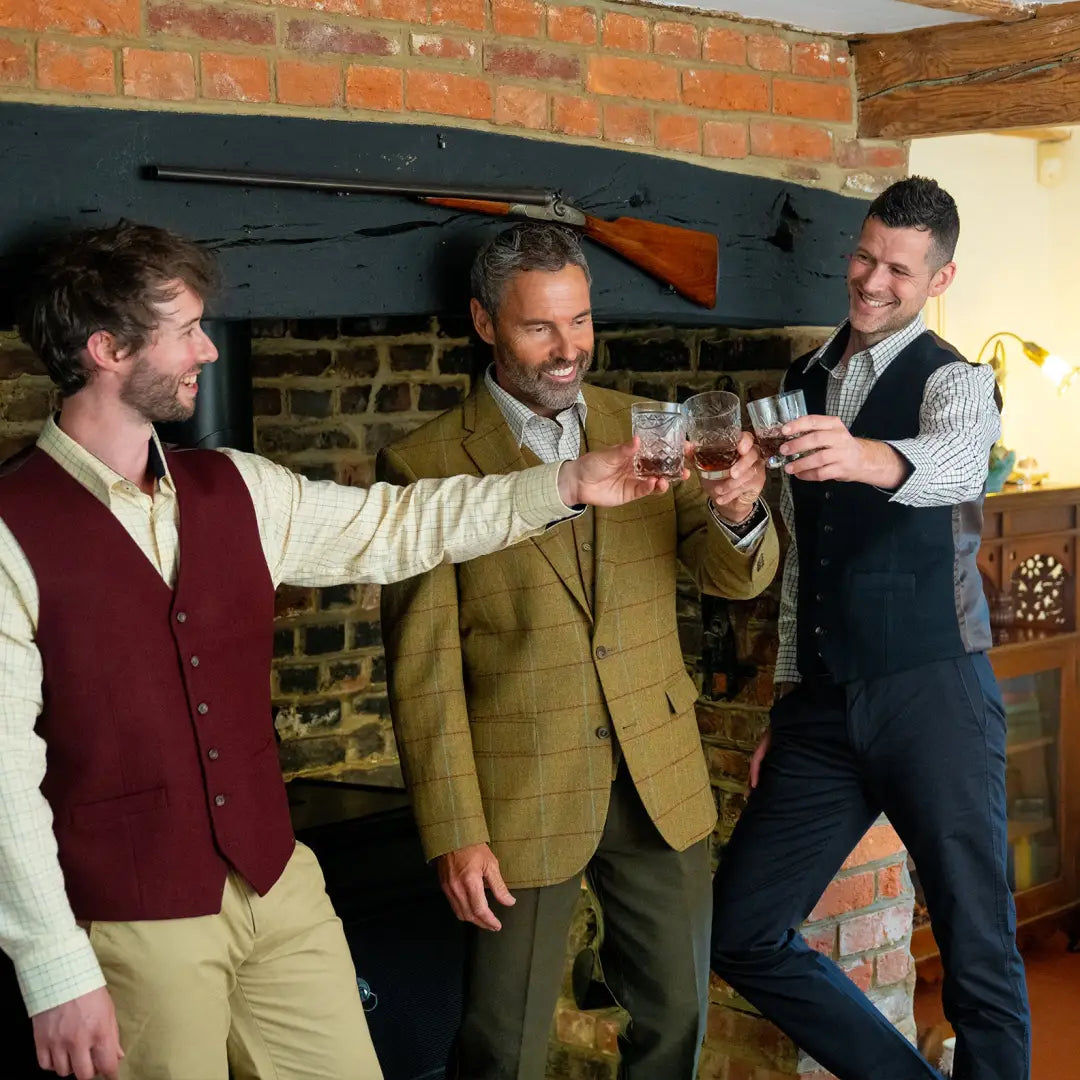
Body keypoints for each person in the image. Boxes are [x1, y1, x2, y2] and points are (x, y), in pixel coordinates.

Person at [0, 221, 674, 1080]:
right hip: (134, 921)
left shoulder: (238, 486)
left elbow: (398, 527)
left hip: (281, 889)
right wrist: (53, 968)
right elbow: (3, 782)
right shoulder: (11, 530)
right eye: (186, 331)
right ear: (107, 349)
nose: (208, 347)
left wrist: (566, 483)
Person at [378, 222, 779, 1080]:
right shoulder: (425, 466)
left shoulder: (646, 427)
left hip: (657, 777)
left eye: (582, 321)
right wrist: (455, 830)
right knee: (503, 1046)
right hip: (518, 793)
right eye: (541, 327)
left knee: (676, 1021)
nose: (570, 350)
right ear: (485, 323)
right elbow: (423, 674)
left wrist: (739, 512)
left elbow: (729, 578)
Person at [709, 177, 1030, 1080]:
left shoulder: (957, 382)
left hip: (935, 696)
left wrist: (864, 457)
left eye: (899, 267)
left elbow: (964, 463)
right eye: (864, 254)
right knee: (740, 930)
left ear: (940, 278)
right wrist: (781, 700)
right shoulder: (801, 379)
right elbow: (801, 561)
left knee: (977, 952)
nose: (872, 279)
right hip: (820, 707)